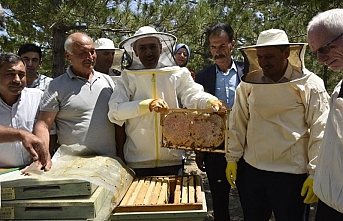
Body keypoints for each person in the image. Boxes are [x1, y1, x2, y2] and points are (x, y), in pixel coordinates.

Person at [225, 29, 330, 221]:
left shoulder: (311, 84)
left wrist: (315, 172)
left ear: (286, 53)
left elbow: (320, 129)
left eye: (270, 56)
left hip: (291, 175)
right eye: (260, 57)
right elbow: (238, 120)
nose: (264, 62)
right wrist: (232, 157)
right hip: (253, 170)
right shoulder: (249, 83)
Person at [108, 26, 225, 177]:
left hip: (172, 159)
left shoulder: (177, 74)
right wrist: (146, 105)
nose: (148, 52)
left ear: (161, 48)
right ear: (135, 51)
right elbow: (115, 111)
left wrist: (209, 101)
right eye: (142, 48)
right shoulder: (127, 77)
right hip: (138, 161)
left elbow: (192, 94)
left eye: (152, 47)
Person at [33, 32, 117, 170]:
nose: (90, 57)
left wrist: (121, 154)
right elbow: (43, 125)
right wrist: (44, 155)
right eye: (83, 53)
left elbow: (118, 120)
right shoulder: (56, 86)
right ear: (68, 56)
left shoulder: (108, 81)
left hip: (108, 163)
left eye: (92, 51)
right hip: (71, 166)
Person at [195, 23, 245, 221]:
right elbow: (198, 115)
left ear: (232, 45)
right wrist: (200, 149)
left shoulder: (248, 70)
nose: (217, 52)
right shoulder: (202, 76)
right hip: (215, 148)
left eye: (222, 46)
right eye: (213, 47)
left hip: (246, 146)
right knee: (219, 200)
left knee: (251, 199)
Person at [307, 8, 343, 220]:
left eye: (325, 48)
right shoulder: (340, 82)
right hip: (330, 203)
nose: (320, 59)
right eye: (316, 52)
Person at [0, 52, 47, 168]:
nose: (17, 80)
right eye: (10, 74)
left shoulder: (38, 98)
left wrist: (41, 159)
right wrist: (21, 134)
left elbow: (50, 131)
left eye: (21, 75)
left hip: (32, 170)